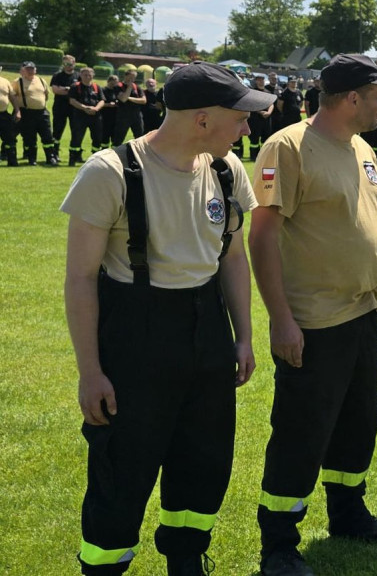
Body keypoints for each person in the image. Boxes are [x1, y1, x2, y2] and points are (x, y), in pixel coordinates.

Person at [62, 61, 272, 576]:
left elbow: (233, 258)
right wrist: (91, 372)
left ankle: (186, 559)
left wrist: (243, 337)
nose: (249, 128)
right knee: (123, 466)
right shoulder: (110, 172)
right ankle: (105, 565)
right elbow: (81, 279)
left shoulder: (226, 170)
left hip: (206, 327)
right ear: (202, 120)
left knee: (204, 457)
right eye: (240, 117)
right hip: (137, 331)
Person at [250, 54, 377, 576]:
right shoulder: (288, 146)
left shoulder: (362, 147)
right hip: (314, 320)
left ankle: (348, 513)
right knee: (301, 432)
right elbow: (264, 234)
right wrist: (280, 318)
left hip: (361, 313)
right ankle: (278, 545)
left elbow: (369, 226)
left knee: (356, 425)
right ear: (352, 98)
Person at [12, 61, 59, 166]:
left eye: (32, 69)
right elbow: (13, 97)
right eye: (28, 69)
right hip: (27, 113)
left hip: (42, 113)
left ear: (35, 70)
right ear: (23, 70)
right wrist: (17, 111)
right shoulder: (18, 81)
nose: (30, 71)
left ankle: (50, 157)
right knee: (30, 137)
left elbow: (46, 95)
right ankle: (31, 158)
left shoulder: (41, 80)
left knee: (47, 136)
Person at [67, 68, 106, 167]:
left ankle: (95, 159)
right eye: (85, 75)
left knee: (97, 138)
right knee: (77, 138)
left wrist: (96, 108)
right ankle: (73, 159)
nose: (87, 77)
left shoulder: (97, 87)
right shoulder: (75, 86)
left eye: (89, 75)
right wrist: (85, 108)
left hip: (95, 116)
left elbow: (102, 100)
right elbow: (72, 100)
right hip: (80, 116)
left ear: (93, 75)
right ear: (80, 75)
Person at [51, 55, 81, 163]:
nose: (69, 66)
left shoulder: (78, 76)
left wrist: (65, 89)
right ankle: (54, 153)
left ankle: (76, 154)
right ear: (63, 64)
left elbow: (80, 90)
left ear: (74, 63)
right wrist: (70, 89)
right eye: (66, 64)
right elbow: (55, 90)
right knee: (57, 131)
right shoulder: (57, 75)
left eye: (71, 64)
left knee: (76, 131)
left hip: (75, 108)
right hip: (60, 107)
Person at [244, 75, 275, 162]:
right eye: (259, 80)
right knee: (254, 140)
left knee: (265, 139)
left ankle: (263, 156)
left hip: (266, 119)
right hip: (255, 119)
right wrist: (261, 112)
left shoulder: (268, 92)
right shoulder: (253, 92)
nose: (261, 81)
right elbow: (251, 104)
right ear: (256, 81)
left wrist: (269, 112)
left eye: (262, 80)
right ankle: (254, 156)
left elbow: (271, 104)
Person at [112, 70, 145, 146]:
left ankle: (138, 153)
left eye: (134, 77)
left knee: (139, 136)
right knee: (119, 137)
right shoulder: (118, 86)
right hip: (123, 115)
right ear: (125, 76)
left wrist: (129, 98)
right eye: (130, 77)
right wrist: (129, 87)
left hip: (136, 115)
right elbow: (123, 99)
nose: (132, 79)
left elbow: (143, 100)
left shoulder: (137, 87)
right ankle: (115, 152)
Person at [0, 65, 17, 166]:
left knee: (9, 138)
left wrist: (17, 110)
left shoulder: (5, 81)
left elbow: (12, 97)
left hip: (3, 114)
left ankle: (12, 160)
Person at [99, 75, 120, 149]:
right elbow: (98, 103)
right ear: (108, 81)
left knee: (115, 135)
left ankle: (114, 151)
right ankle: (104, 150)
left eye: (115, 83)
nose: (114, 85)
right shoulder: (103, 90)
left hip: (116, 116)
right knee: (105, 135)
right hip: (105, 116)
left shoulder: (117, 91)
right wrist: (108, 104)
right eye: (112, 83)